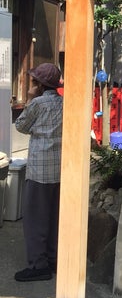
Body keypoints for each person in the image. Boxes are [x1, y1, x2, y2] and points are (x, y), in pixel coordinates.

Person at [13, 63, 63, 282]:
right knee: (53, 216)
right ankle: (52, 259)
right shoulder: (64, 102)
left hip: (39, 168)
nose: (32, 84)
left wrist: (31, 99)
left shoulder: (39, 103)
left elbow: (21, 126)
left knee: (35, 219)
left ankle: (38, 265)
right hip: (60, 168)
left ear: (40, 85)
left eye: (34, 82)